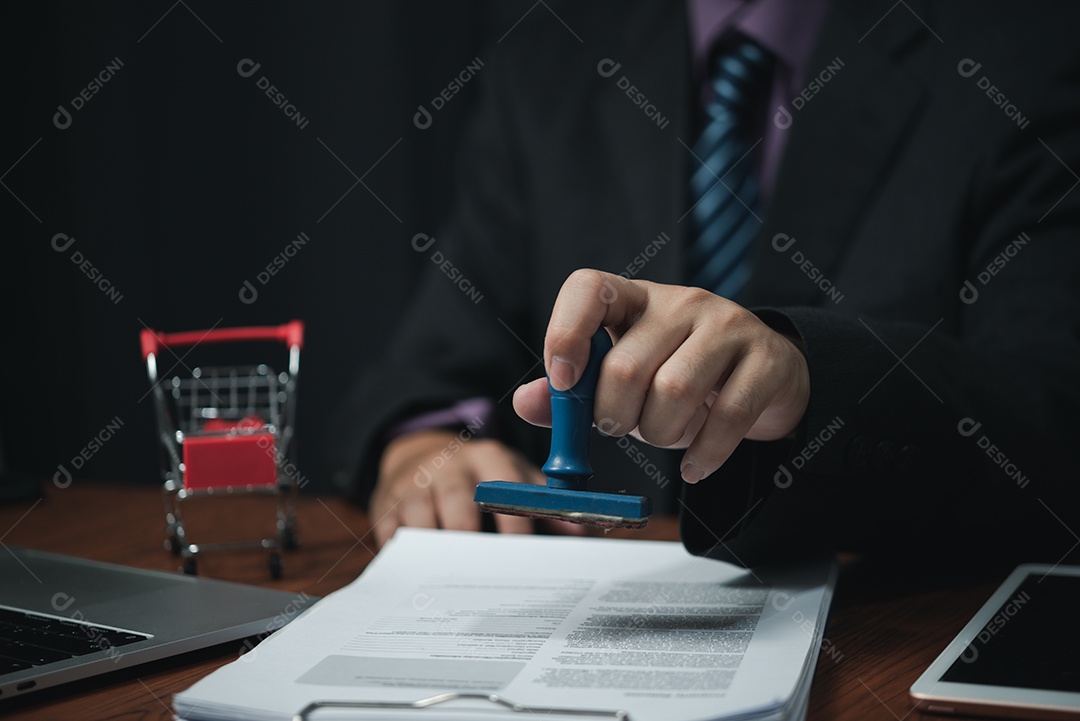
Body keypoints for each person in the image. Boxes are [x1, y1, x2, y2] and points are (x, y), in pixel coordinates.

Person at [326, 0, 1080, 567]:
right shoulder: (551, 55)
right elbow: (428, 365)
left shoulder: (1026, 50)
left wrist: (808, 377)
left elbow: (1052, 426)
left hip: (881, 634)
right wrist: (423, 450)